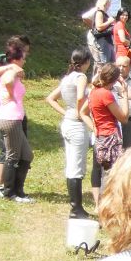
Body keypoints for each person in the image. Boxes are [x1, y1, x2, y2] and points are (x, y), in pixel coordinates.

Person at [45, 47, 92, 218]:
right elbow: (81, 97)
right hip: (77, 124)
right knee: (77, 165)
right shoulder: (81, 77)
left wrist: (66, 112)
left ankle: (76, 206)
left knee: (72, 163)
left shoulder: (67, 77)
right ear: (85, 62)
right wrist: (81, 113)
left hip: (68, 121)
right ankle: (76, 208)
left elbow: (50, 98)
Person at [0, 38, 33, 202]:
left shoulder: (14, 71)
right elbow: (8, 80)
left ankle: (18, 190)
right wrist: (10, 94)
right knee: (12, 155)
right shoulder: (11, 71)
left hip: (14, 118)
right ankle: (10, 193)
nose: (25, 60)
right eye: (23, 57)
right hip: (9, 118)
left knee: (27, 155)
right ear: (17, 59)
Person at [83, 63, 130, 185]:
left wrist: (94, 127)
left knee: (105, 171)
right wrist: (124, 94)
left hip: (101, 137)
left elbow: (83, 112)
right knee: (112, 174)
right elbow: (124, 118)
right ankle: (107, 201)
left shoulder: (94, 92)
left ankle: (103, 200)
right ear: (114, 80)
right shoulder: (106, 94)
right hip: (111, 137)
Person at [86, 0, 115, 68]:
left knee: (109, 63)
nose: (110, 5)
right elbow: (99, 27)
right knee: (104, 64)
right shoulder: (100, 12)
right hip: (102, 42)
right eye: (109, 3)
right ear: (105, 3)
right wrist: (109, 21)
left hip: (106, 42)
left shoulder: (104, 13)